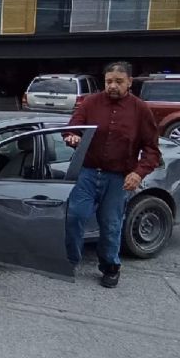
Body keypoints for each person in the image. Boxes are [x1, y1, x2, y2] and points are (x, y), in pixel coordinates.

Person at [63, 62, 159, 288]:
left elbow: (152, 150)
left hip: (118, 178)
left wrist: (138, 172)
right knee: (75, 216)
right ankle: (70, 260)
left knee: (111, 224)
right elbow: (72, 127)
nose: (112, 86)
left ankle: (110, 267)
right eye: (108, 81)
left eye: (118, 81)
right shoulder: (90, 103)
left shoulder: (140, 109)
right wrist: (71, 137)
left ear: (129, 82)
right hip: (87, 173)